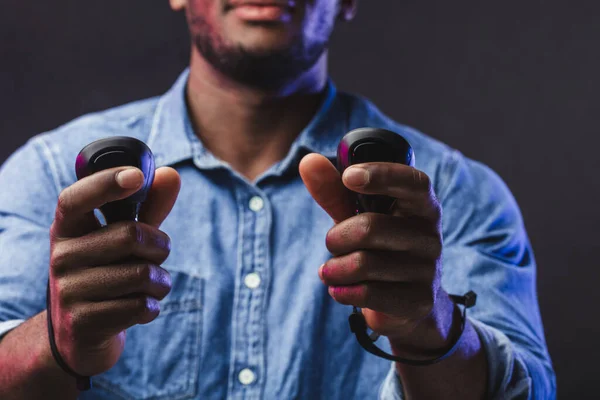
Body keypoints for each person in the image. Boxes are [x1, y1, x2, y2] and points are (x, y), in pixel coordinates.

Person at [0, 0, 556, 399]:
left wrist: (428, 328)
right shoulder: (50, 176)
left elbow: (528, 391)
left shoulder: (457, 195)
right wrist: (58, 341)